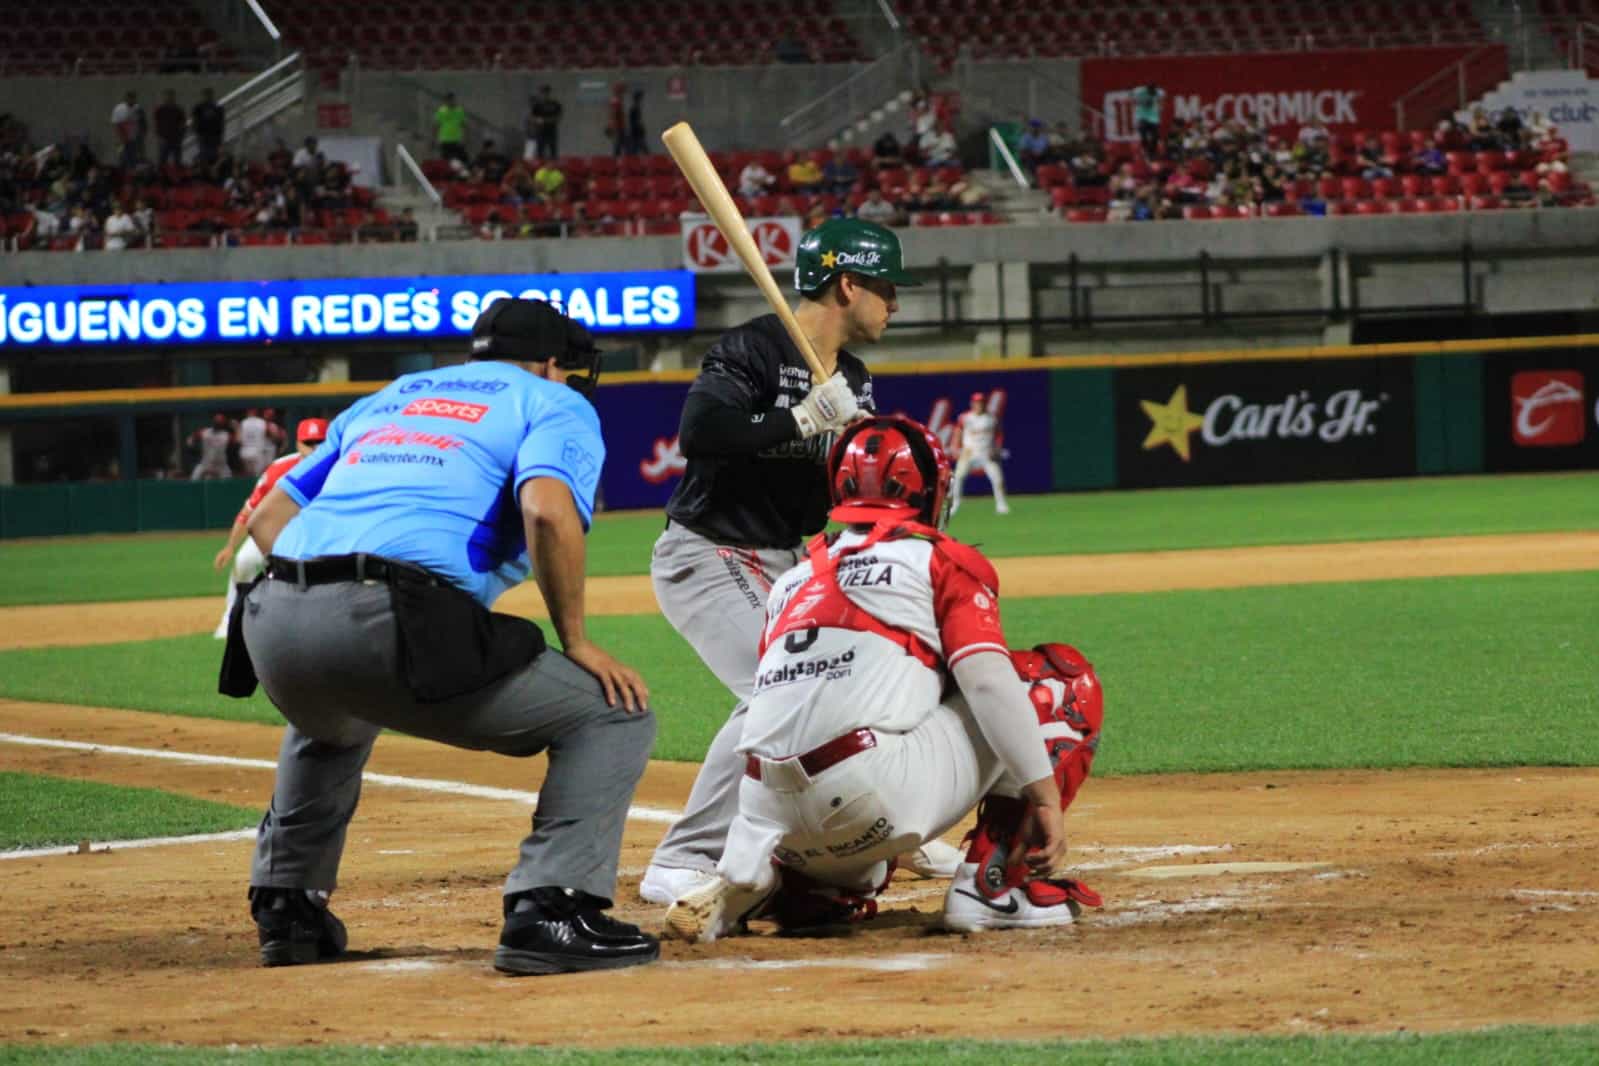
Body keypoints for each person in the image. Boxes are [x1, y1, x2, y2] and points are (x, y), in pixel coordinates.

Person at [230, 298, 659, 976]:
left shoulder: (391, 397)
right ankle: (550, 908)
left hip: (270, 620)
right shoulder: (553, 401)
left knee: (335, 717)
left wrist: (327, 593)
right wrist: (575, 639)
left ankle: (287, 907)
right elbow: (546, 512)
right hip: (386, 615)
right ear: (551, 363)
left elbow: (268, 519)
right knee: (612, 711)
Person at [661, 415, 1103, 941]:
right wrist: (1045, 798)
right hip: (865, 797)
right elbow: (987, 682)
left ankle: (807, 888)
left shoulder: (794, 580)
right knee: (1054, 680)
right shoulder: (939, 559)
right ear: (931, 490)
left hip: (764, 814)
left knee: (847, 727)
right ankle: (991, 889)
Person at [638, 219, 964, 905]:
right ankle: (681, 858)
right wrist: (802, 420)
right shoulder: (754, 347)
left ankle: (874, 825)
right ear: (848, 284)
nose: (895, 305)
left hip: (790, 561)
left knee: (853, 678)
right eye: (886, 289)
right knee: (779, 691)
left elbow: (835, 493)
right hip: (711, 549)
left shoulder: (850, 377)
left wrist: (876, 463)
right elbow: (700, 433)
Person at [211, 417, 328, 638]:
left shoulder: (341, 466)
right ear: (297, 444)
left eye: (320, 442)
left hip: (317, 534)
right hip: (276, 530)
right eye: (309, 442)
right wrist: (230, 546)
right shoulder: (279, 469)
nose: (315, 448)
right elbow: (249, 510)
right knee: (244, 561)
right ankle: (230, 619)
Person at [949, 392, 1009, 516]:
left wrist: (996, 448)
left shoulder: (991, 418)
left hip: (986, 453)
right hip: (969, 453)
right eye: (976, 402)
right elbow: (957, 432)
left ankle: (1001, 505)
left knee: (997, 479)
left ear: (984, 403)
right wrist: (955, 447)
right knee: (958, 478)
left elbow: (998, 433)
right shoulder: (965, 417)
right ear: (972, 404)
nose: (979, 405)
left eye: (981, 402)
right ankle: (955, 504)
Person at [188, 413, 234, 480]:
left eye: (220, 421)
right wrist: (191, 441)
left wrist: (235, 428)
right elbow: (192, 438)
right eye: (216, 420)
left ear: (223, 423)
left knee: (228, 481)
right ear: (213, 421)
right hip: (206, 464)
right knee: (194, 478)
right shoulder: (206, 432)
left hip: (221, 465)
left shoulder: (225, 435)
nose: (218, 422)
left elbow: (236, 441)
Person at [111, 90, 147, 168]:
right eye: (130, 98)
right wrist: (120, 137)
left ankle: (132, 171)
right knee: (122, 156)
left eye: (133, 98)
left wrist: (141, 135)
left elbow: (142, 123)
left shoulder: (138, 108)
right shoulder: (119, 108)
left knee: (134, 157)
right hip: (122, 138)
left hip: (134, 138)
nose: (132, 100)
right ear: (126, 99)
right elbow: (116, 124)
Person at [526, 85, 562, 161]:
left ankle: (554, 167)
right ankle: (541, 167)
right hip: (540, 132)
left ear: (549, 93)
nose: (544, 94)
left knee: (553, 152)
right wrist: (536, 120)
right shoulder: (537, 105)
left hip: (551, 131)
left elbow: (558, 118)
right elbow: (532, 117)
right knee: (540, 152)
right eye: (542, 93)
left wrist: (544, 120)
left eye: (546, 92)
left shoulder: (555, 104)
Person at [192, 88, 225, 166]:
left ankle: (213, 171)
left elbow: (221, 122)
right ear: (203, 96)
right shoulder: (198, 108)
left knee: (215, 156)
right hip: (203, 135)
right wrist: (197, 132)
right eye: (206, 95)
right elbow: (195, 121)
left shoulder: (218, 108)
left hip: (215, 136)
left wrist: (220, 135)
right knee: (204, 155)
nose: (208, 97)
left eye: (209, 95)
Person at [236, 407, 272, 477]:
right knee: (258, 476)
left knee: (248, 476)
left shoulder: (243, 422)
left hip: (245, 452)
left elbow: (238, 439)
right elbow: (269, 435)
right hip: (258, 452)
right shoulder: (262, 422)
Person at [154, 89, 185, 168]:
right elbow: (157, 124)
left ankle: (177, 177)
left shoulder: (178, 110)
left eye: (171, 96)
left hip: (176, 139)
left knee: (177, 160)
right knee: (162, 160)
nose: (169, 98)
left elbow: (182, 124)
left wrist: (181, 136)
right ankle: (161, 176)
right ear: (165, 97)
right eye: (168, 96)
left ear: (174, 97)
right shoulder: (160, 110)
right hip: (164, 138)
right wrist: (159, 137)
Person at [435, 91, 467, 164]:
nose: (450, 102)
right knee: (445, 160)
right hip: (445, 139)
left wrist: (465, 139)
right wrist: (435, 138)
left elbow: (464, 126)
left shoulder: (460, 110)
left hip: (456, 139)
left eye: (452, 100)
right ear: (446, 101)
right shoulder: (441, 111)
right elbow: (436, 125)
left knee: (458, 160)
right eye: (448, 100)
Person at [1133, 83, 1165, 157]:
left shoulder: (1160, 92)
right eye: (1151, 93)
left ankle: (1152, 151)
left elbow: (1161, 102)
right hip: (1142, 116)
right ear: (1147, 90)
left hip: (1153, 117)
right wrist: (1142, 102)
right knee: (1143, 132)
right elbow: (1132, 98)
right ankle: (1145, 148)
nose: (1153, 95)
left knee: (1155, 135)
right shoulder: (1139, 91)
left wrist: (1160, 107)